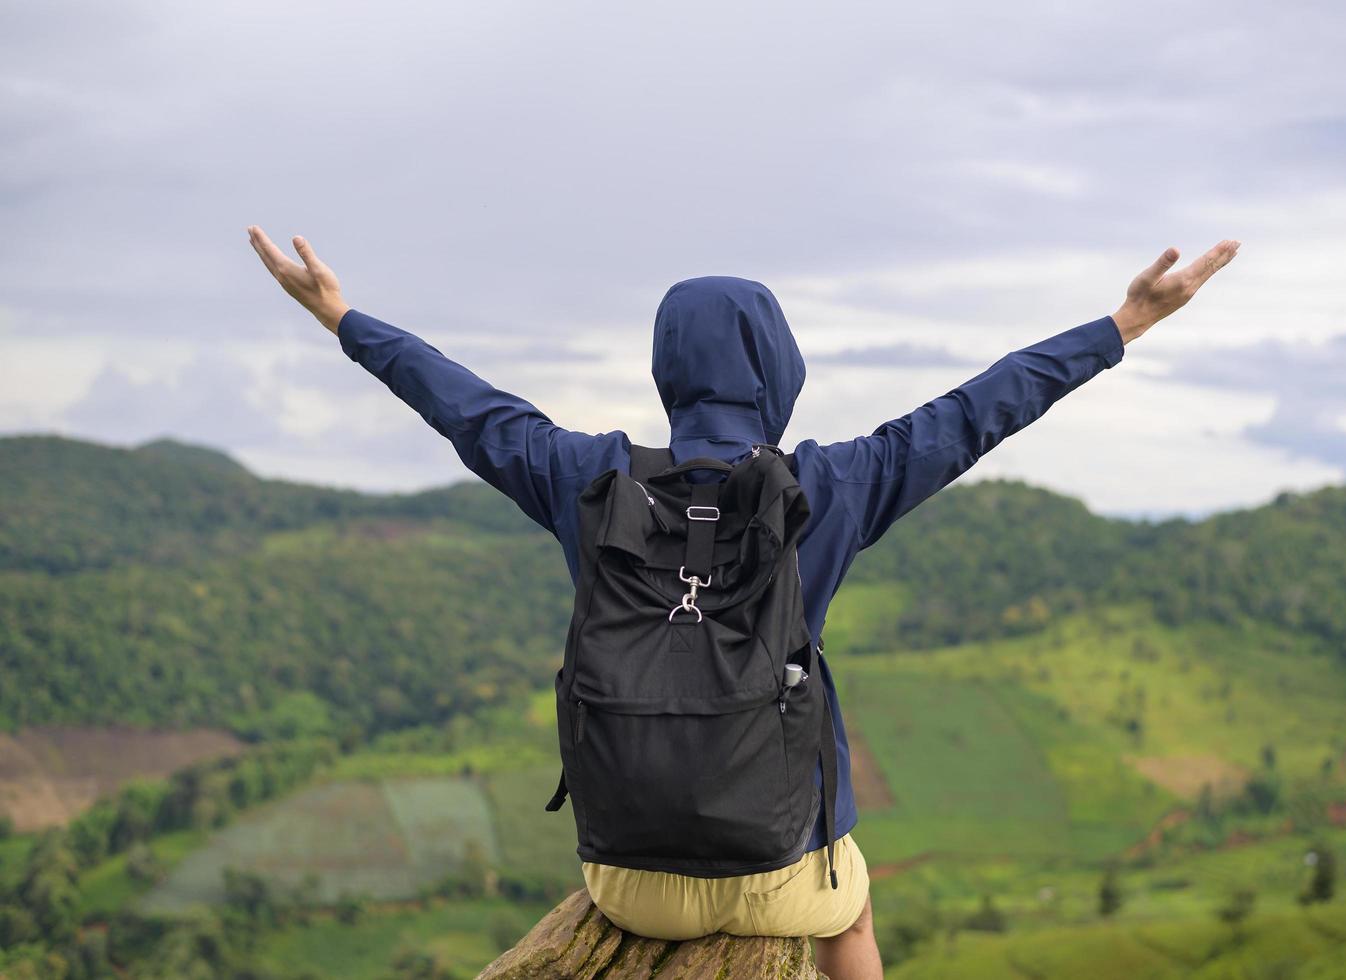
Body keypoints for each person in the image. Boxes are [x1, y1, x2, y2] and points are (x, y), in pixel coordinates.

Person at [247, 225, 1239, 978]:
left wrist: (340, 314)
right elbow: (983, 408)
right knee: (852, 907)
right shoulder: (830, 489)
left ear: (668, 369)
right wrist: (1127, 323)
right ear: (777, 367)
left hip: (623, 880)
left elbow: (462, 404)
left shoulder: (587, 480)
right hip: (777, 880)